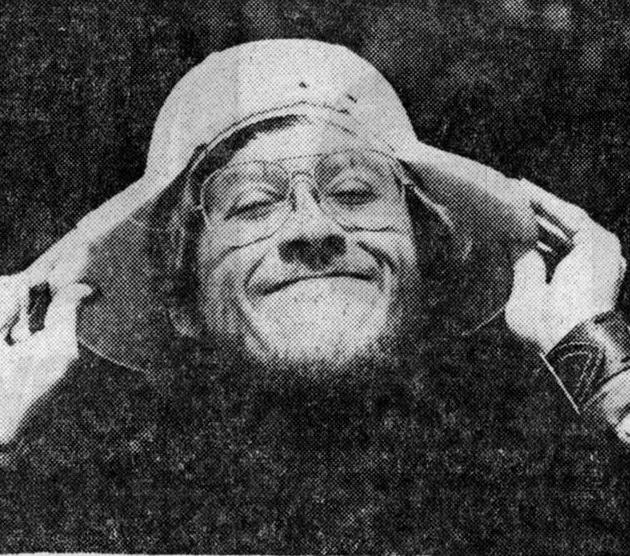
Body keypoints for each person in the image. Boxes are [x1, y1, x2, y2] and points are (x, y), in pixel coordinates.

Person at [0, 39, 628, 554]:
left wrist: (597, 352)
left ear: (425, 261)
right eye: (252, 204)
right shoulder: (83, 524)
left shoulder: (545, 502)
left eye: (354, 192)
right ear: (181, 299)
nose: (312, 227)